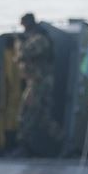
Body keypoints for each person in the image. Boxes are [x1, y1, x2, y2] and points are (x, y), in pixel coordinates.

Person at [12, 12, 58, 156]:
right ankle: (65, 143)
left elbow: (22, 54)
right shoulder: (36, 37)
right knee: (43, 118)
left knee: (26, 114)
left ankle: (24, 148)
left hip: (38, 84)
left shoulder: (40, 38)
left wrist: (19, 42)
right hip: (37, 82)